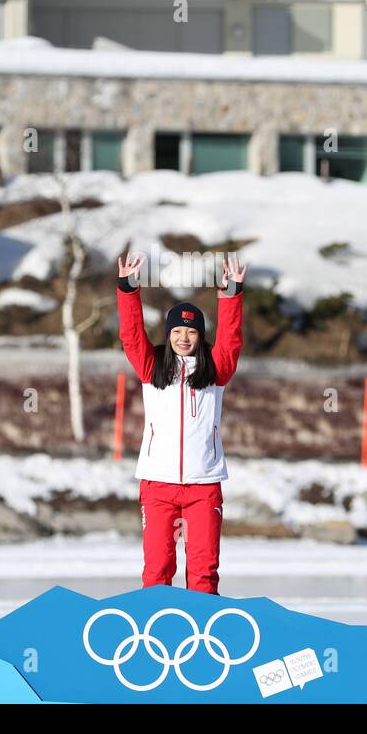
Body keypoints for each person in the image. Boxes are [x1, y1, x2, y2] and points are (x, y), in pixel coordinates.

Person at [116, 251, 245, 594]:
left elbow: (231, 341)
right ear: (169, 333)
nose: (184, 338)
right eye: (177, 331)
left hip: (204, 486)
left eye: (191, 332)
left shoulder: (215, 371)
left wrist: (231, 295)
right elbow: (131, 336)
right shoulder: (152, 366)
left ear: (200, 336)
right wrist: (128, 290)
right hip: (157, 485)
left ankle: (202, 637)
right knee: (157, 570)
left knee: (203, 573)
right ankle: (153, 635)